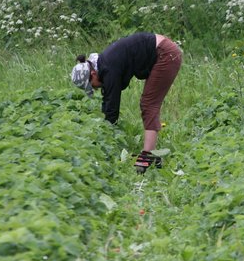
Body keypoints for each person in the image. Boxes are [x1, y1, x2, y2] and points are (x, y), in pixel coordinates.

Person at [70, 32, 182, 173]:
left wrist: (105, 135)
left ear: (92, 74)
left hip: (166, 54)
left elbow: (112, 107)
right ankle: (150, 154)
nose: (95, 88)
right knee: (148, 102)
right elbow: (108, 98)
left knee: (149, 103)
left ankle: (148, 156)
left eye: (91, 85)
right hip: (163, 50)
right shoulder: (103, 64)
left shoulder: (108, 68)